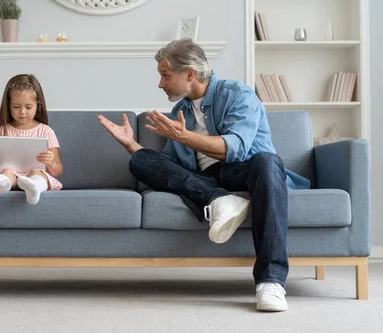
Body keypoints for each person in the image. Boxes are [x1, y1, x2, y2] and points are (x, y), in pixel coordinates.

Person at [97, 39, 309, 312]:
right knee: (140, 161)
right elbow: (168, 166)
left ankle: (271, 282)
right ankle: (219, 199)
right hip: (204, 179)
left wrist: (185, 135)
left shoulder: (237, 94)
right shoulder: (180, 111)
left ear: (189, 73)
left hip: (246, 171)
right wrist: (131, 145)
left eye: (165, 75)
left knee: (267, 161)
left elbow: (236, 148)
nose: (160, 84)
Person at [0, 74, 63, 206]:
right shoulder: (0, 131)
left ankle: (34, 188)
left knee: (36, 172)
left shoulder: (46, 131)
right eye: (16, 106)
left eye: (28, 107)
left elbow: (58, 170)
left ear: (38, 105)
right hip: (10, 178)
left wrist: (51, 163)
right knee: (7, 172)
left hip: (35, 176)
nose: (22, 112)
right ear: (8, 105)